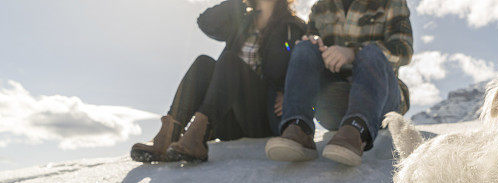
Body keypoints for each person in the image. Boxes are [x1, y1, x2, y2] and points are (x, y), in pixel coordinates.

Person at [131, 0, 306, 163]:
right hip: (228, 119)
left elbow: (303, 67)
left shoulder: (293, 25)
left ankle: (198, 135)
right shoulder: (243, 21)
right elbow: (205, 21)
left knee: (230, 61)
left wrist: (291, 95)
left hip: (262, 116)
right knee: (204, 63)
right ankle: (168, 136)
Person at [264, 0, 413, 167]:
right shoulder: (321, 7)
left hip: (380, 98)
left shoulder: (391, 3)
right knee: (305, 47)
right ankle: (299, 128)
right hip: (336, 101)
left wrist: (353, 53)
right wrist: (313, 42)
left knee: (371, 52)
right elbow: (312, 39)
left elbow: (404, 49)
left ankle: (356, 130)